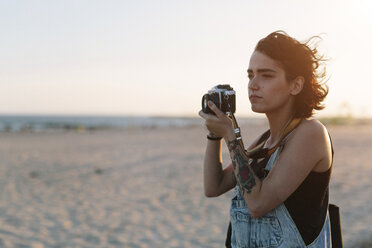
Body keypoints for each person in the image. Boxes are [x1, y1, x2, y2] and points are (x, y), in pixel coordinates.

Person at [199, 31, 333, 247]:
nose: (253, 84)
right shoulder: (264, 141)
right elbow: (213, 186)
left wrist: (231, 137)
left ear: (296, 85)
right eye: (250, 75)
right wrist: (214, 135)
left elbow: (258, 203)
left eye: (266, 75)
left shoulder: (311, 133)